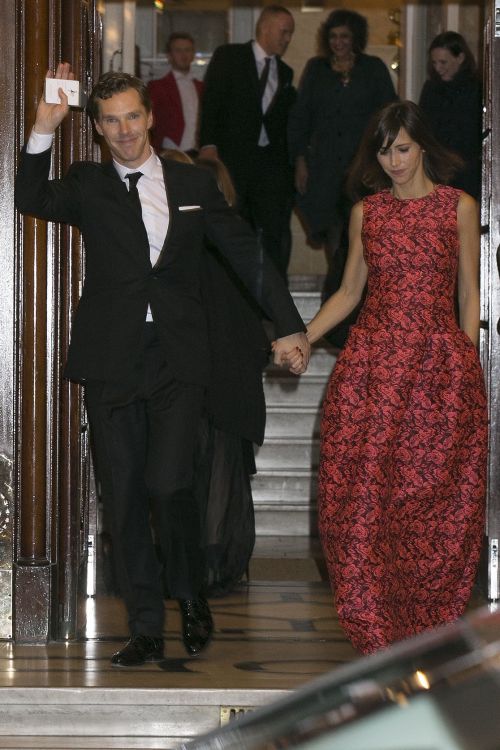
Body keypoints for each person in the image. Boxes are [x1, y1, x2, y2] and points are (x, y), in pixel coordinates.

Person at [15, 63, 310, 667]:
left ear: (150, 118)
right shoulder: (87, 184)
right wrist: (43, 128)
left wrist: (288, 323)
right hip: (112, 360)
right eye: (111, 121)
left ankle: (190, 593)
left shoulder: (193, 184)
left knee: (169, 484)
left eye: (132, 117)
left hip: (178, 359)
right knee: (123, 496)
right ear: (96, 128)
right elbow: (29, 197)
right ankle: (146, 626)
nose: (124, 131)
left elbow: (248, 254)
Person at [302, 100, 487, 654]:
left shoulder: (458, 206)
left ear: (423, 145)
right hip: (372, 372)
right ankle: (373, 634)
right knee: (359, 500)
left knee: (431, 501)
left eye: (402, 148)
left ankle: (426, 634)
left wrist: (467, 366)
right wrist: (305, 338)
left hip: (437, 370)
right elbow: (349, 294)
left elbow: (469, 294)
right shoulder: (368, 213)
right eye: (384, 151)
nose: (393, 161)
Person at [288, 9, 397, 346]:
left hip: (364, 171)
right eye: (333, 37)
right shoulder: (316, 70)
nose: (338, 43)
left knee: (364, 239)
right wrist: (300, 161)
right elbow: (301, 119)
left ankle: (363, 315)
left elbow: (390, 117)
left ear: (356, 39)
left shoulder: (373, 69)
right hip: (324, 172)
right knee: (337, 242)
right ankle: (339, 322)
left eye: (345, 37)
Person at [198, 5, 296, 281]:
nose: (288, 38)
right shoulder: (230, 56)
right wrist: (208, 145)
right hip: (233, 159)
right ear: (265, 27)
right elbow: (212, 102)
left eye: (291, 33)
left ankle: (273, 297)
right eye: (284, 31)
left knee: (274, 230)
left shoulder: (285, 72)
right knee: (232, 225)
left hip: (269, 165)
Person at [419, 31, 482, 199]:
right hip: (437, 168)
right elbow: (423, 127)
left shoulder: (477, 88)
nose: (438, 68)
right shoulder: (431, 88)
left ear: (460, 58)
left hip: (468, 169)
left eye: (443, 62)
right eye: (434, 62)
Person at [147, 32, 203, 155]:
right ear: (169, 56)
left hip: (198, 152)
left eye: (187, 50)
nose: (184, 55)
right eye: (178, 50)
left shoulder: (202, 87)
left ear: (193, 54)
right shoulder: (157, 87)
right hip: (170, 152)